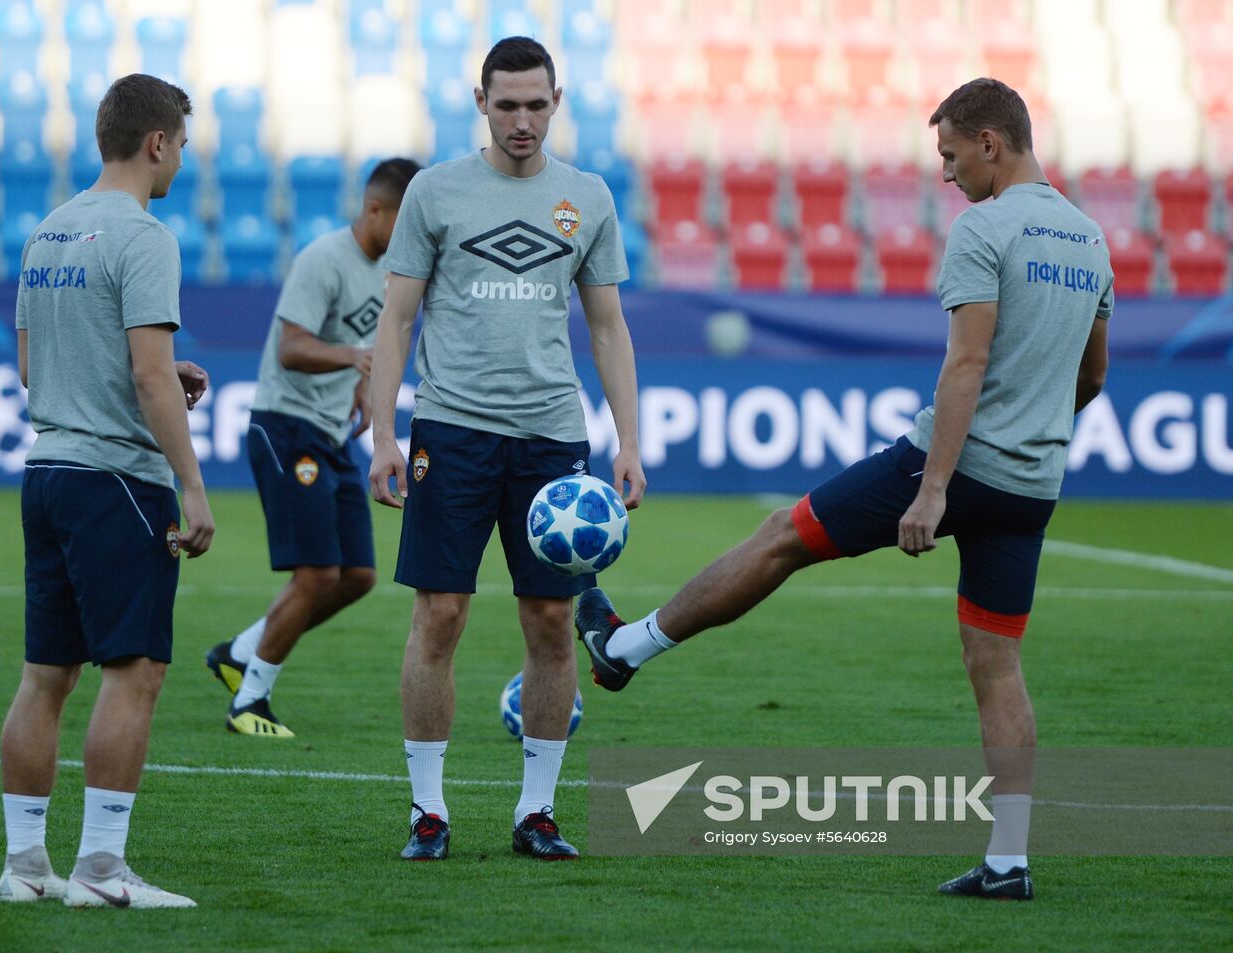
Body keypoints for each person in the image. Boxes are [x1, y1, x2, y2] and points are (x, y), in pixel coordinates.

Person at [577, 78, 1113, 900]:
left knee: (782, 537)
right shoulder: (1090, 241)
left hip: (951, 464)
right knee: (997, 665)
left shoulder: (985, 229)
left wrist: (933, 489)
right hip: (1032, 484)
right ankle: (1008, 861)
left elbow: (965, 363)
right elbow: (1091, 376)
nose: (945, 174)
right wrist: (1036, 422)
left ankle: (625, 648)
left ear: (991, 144)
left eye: (949, 155)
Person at [369, 37, 646, 861]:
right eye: (506, 104)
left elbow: (607, 325)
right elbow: (394, 319)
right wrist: (384, 432)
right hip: (450, 429)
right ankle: (427, 809)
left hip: (553, 438)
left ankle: (537, 810)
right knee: (440, 614)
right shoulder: (435, 191)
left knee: (553, 623)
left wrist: (628, 440)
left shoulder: (586, 197)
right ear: (481, 102)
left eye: (536, 104)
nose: (522, 120)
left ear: (556, 102)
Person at [0, 73, 214, 909]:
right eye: (182, 145)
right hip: (116, 481)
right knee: (135, 671)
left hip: (46, 472)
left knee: (44, 675)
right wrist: (192, 487)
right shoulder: (144, 233)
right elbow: (151, 376)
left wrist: (144, 376)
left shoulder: (47, 233)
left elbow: (30, 366)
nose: (182, 161)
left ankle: (23, 868)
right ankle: (100, 871)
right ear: (157, 142)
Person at [205, 158, 422, 738]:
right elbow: (292, 347)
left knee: (356, 576)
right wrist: (353, 359)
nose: (412, 235)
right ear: (375, 209)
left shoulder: (389, 273)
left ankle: (240, 651)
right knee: (317, 573)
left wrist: (359, 388)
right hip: (286, 427)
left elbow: (361, 346)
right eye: (406, 220)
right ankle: (249, 701)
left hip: (328, 432)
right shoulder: (324, 259)